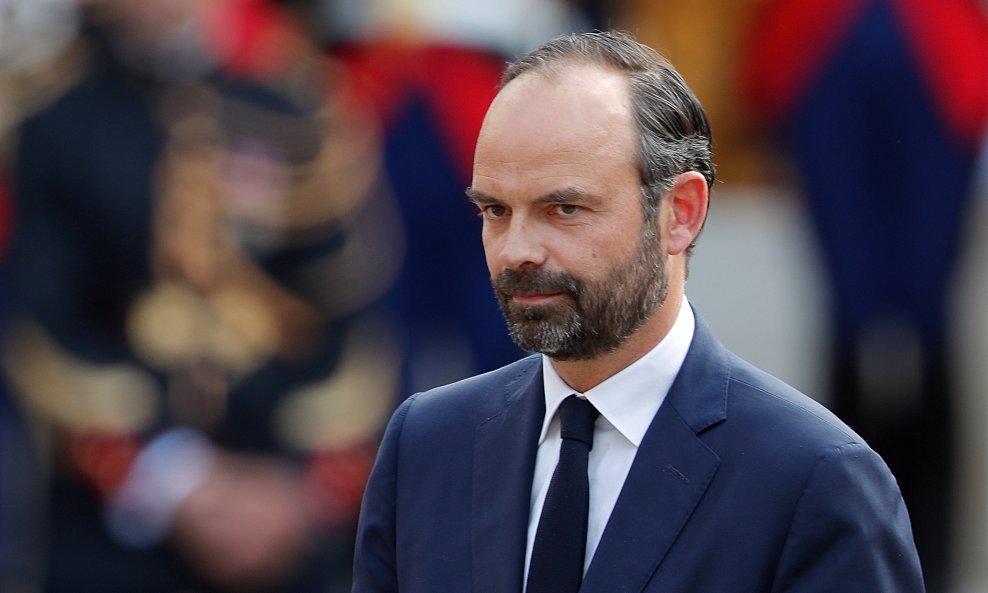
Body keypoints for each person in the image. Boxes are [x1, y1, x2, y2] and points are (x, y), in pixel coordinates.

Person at [351, 30, 924, 593]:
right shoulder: (426, 446)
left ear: (680, 212)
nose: (517, 251)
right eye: (496, 211)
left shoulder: (813, 479)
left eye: (564, 209)